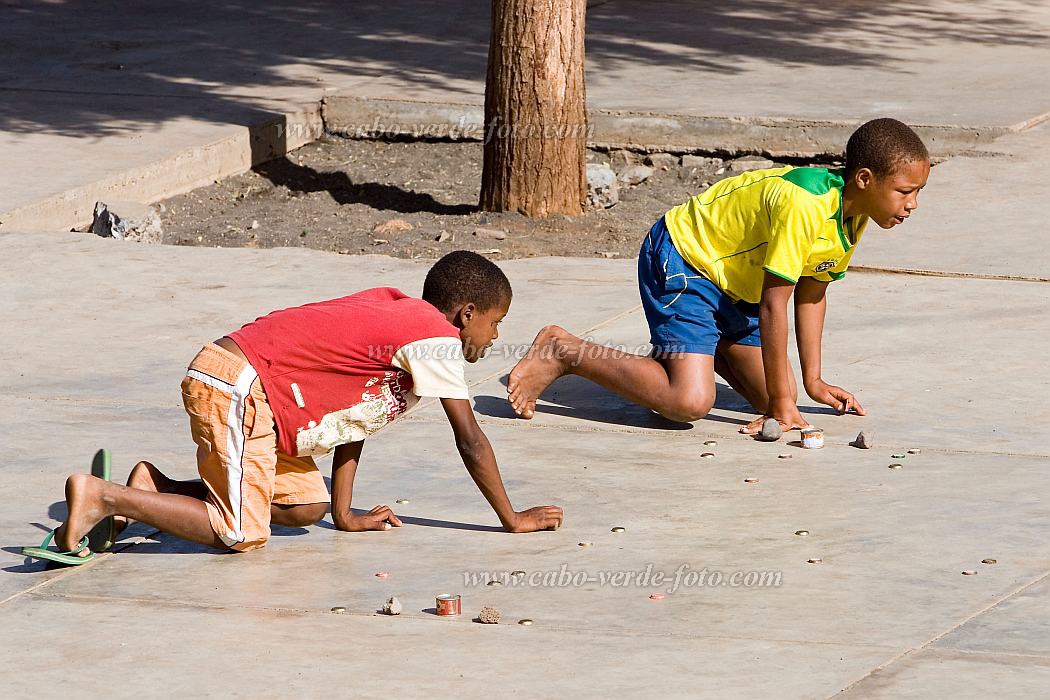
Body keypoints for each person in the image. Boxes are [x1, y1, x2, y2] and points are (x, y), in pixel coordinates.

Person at [26, 251, 562, 566]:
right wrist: (511, 519)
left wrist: (344, 515)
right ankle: (103, 497)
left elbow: (360, 417)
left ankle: (156, 490)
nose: (493, 338)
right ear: (466, 313)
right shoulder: (435, 338)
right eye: (495, 323)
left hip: (249, 389)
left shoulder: (402, 314)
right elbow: (470, 439)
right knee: (242, 533)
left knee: (307, 508)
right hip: (237, 385)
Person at [507, 118, 930, 434]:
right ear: (864, 179)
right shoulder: (806, 204)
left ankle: (699, 351)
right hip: (685, 258)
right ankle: (564, 350)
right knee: (688, 403)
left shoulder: (853, 216)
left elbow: (812, 296)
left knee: (776, 397)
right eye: (904, 191)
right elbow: (774, 303)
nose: (911, 204)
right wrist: (784, 404)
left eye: (918, 193)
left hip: (733, 289)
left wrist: (812, 382)